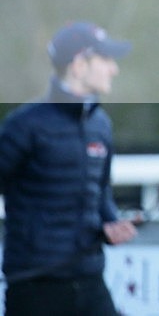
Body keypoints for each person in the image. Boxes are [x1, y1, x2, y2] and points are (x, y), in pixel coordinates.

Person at [0, 21, 138, 316]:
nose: (113, 69)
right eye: (105, 59)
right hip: (35, 290)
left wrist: (111, 223)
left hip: (91, 283)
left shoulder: (101, 125)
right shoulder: (23, 126)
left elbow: (101, 194)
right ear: (78, 64)